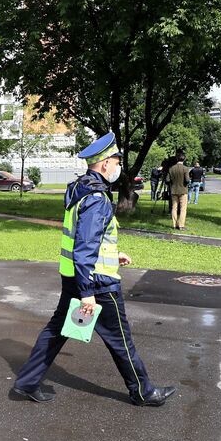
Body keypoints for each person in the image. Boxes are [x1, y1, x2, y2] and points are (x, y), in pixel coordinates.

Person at [11, 133, 176, 407]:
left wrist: (112, 254)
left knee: (57, 331)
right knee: (120, 338)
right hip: (97, 285)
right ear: (103, 165)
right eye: (115, 161)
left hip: (75, 278)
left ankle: (27, 381)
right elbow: (85, 245)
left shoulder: (79, 189)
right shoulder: (97, 198)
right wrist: (88, 293)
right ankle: (143, 392)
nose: (118, 166)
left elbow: (86, 240)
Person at [167, 153, 190, 230]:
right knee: (183, 208)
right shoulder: (185, 168)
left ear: (177, 159)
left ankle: (174, 224)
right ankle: (181, 225)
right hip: (183, 190)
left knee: (174, 208)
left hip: (174, 190)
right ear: (184, 159)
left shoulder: (171, 168)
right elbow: (187, 180)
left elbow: (167, 180)